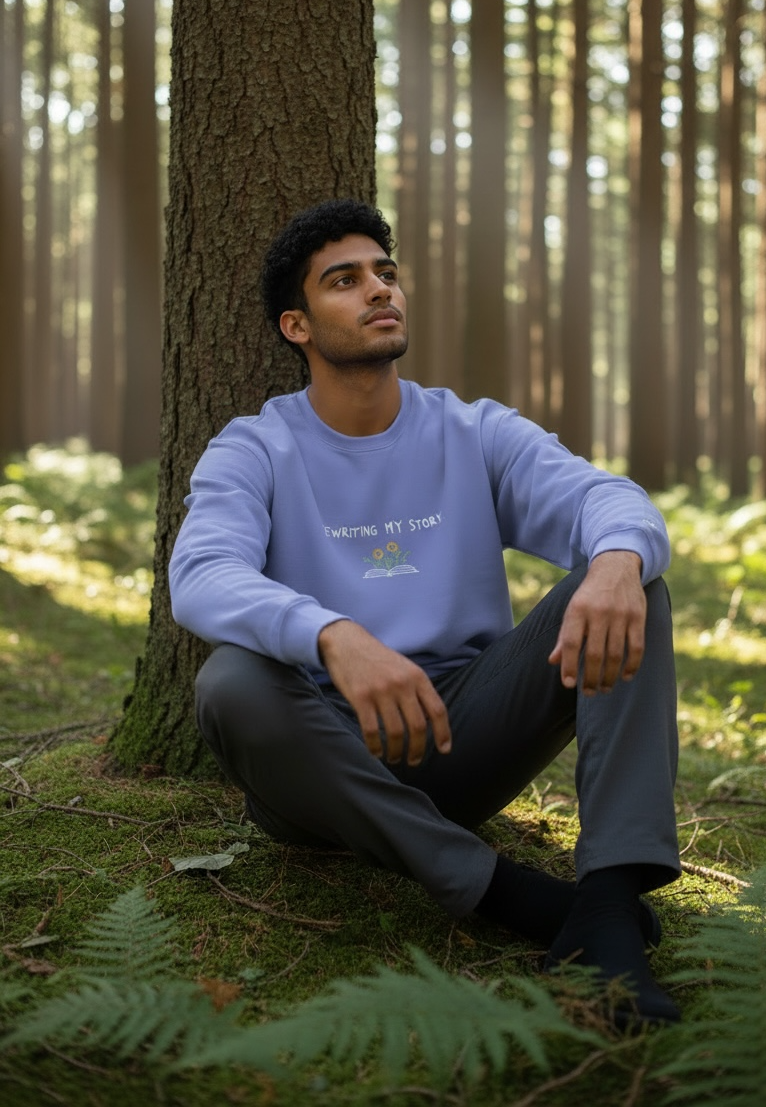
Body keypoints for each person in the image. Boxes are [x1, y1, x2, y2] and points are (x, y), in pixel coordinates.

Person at [169, 198, 681, 1026]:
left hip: (464, 733)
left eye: (386, 274)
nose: (379, 291)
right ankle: (502, 893)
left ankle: (610, 903)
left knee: (634, 589)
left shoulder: (473, 431)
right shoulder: (255, 447)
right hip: (323, 764)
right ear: (297, 326)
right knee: (231, 683)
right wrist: (333, 635)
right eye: (346, 281)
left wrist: (617, 559)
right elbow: (199, 575)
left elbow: (602, 497)